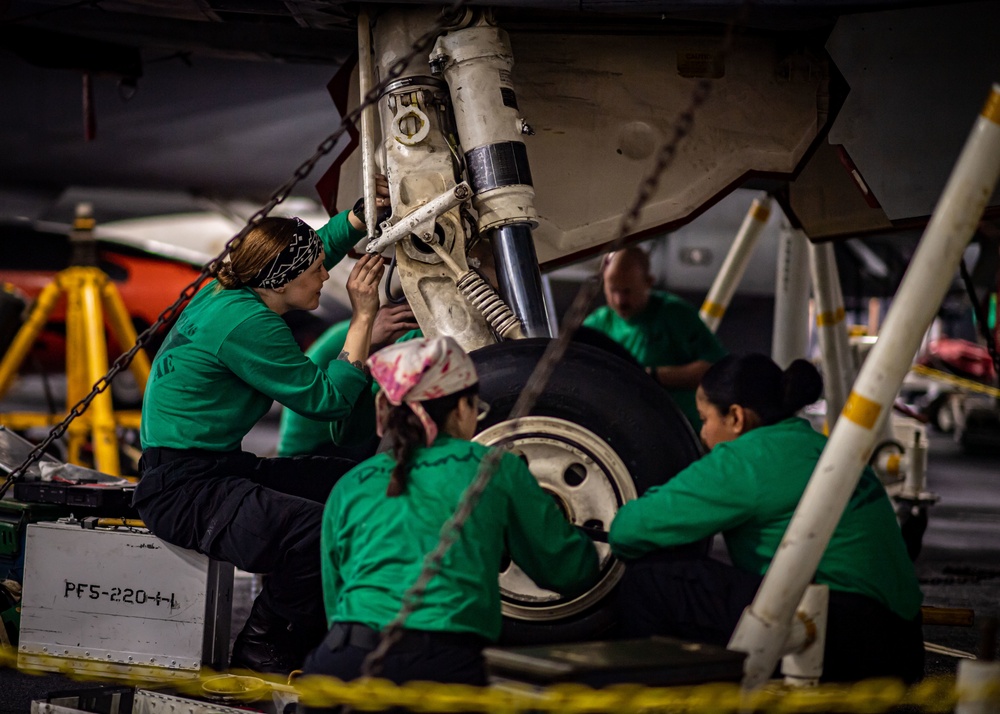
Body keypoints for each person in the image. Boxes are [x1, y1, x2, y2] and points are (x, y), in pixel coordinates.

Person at [134, 184, 389, 675]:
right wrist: (363, 319)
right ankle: (262, 643)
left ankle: (327, 631)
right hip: (184, 490)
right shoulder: (250, 325)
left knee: (354, 482)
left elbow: (308, 252)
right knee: (314, 533)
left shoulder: (231, 290)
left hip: (215, 468)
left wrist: (356, 220)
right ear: (280, 280)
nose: (325, 276)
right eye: (316, 272)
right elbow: (328, 401)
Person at [301, 336, 600, 686]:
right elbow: (566, 570)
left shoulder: (350, 484)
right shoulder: (492, 467)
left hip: (340, 663)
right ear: (462, 408)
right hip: (438, 665)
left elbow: (335, 599)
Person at [608, 354, 924, 683]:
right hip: (901, 643)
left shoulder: (747, 458)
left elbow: (626, 531)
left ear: (735, 417)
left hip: (843, 639)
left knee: (649, 585)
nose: (702, 434)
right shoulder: (818, 446)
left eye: (704, 419)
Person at [583, 246, 727, 428]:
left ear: (648, 282)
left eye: (627, 291)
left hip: (680, 430)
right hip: (625, 430)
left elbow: (717, 370)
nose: (620, 300)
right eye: (613, 290)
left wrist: (653, 377)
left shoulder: (674, 315)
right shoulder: (597, 324)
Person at [276, 303, 420, 459]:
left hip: (313, 441)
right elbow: (348, 433)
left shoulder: (356, 331)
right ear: (398, 320)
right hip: (315, 448)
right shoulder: (365, 339)